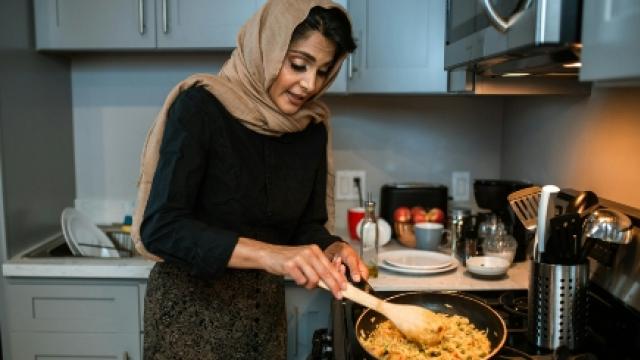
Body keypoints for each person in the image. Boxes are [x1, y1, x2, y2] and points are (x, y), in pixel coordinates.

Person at [130, 0, 368, 358]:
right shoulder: (200, 107)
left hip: (263, 319)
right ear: (266, 49)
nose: (309, 85)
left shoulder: (310, 130)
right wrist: (269, 255)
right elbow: (161, 228)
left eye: (323, 72)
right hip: (189, 322)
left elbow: (307, 227)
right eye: (298, 65)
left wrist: (333, 248)